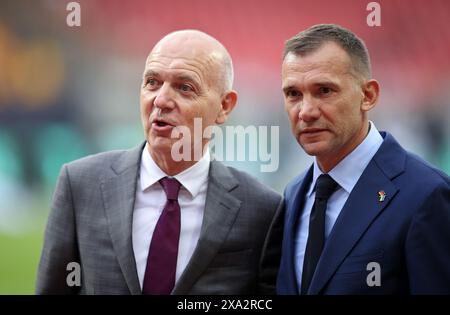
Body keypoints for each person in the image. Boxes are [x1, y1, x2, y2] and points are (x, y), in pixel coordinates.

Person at [36, 30, 283, 295]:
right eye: (152, 82)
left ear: (224, 106)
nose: (161, 100)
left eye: (184, 87)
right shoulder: (80, 185)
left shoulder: (262, 210)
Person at [276, 24, 450, 294]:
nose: (306, 111)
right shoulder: (294, 194)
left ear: (368, 96)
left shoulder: (426, 194)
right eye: (293, 94)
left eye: (324, 91)